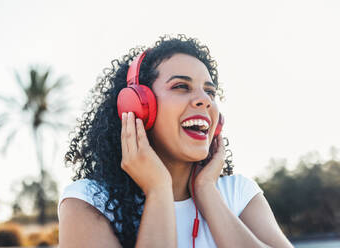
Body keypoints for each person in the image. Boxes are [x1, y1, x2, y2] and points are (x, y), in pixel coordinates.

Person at [58, 34, 293, 248]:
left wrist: (207, 191)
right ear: (138, 106)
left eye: (210, 92)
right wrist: (158, 189)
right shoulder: (88, 201)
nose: (205, 100)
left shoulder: (239, 193)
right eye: (181, 86)